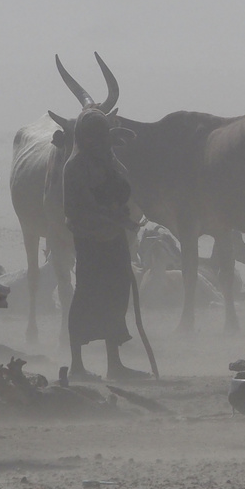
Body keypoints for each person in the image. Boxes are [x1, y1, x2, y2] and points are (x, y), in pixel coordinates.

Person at [63, 108, 145, 380]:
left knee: (117, 293)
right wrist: (110, 217)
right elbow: (77, 209)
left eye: (102, 137)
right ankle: (77, 366)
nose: (97, 143)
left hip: (114, 239)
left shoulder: (109, 162)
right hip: (89, 241)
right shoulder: (74, 167)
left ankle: (115, 364)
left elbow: (122, 189)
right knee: (86, 294)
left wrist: (118, 217)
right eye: (93, 138)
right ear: (83, 138)